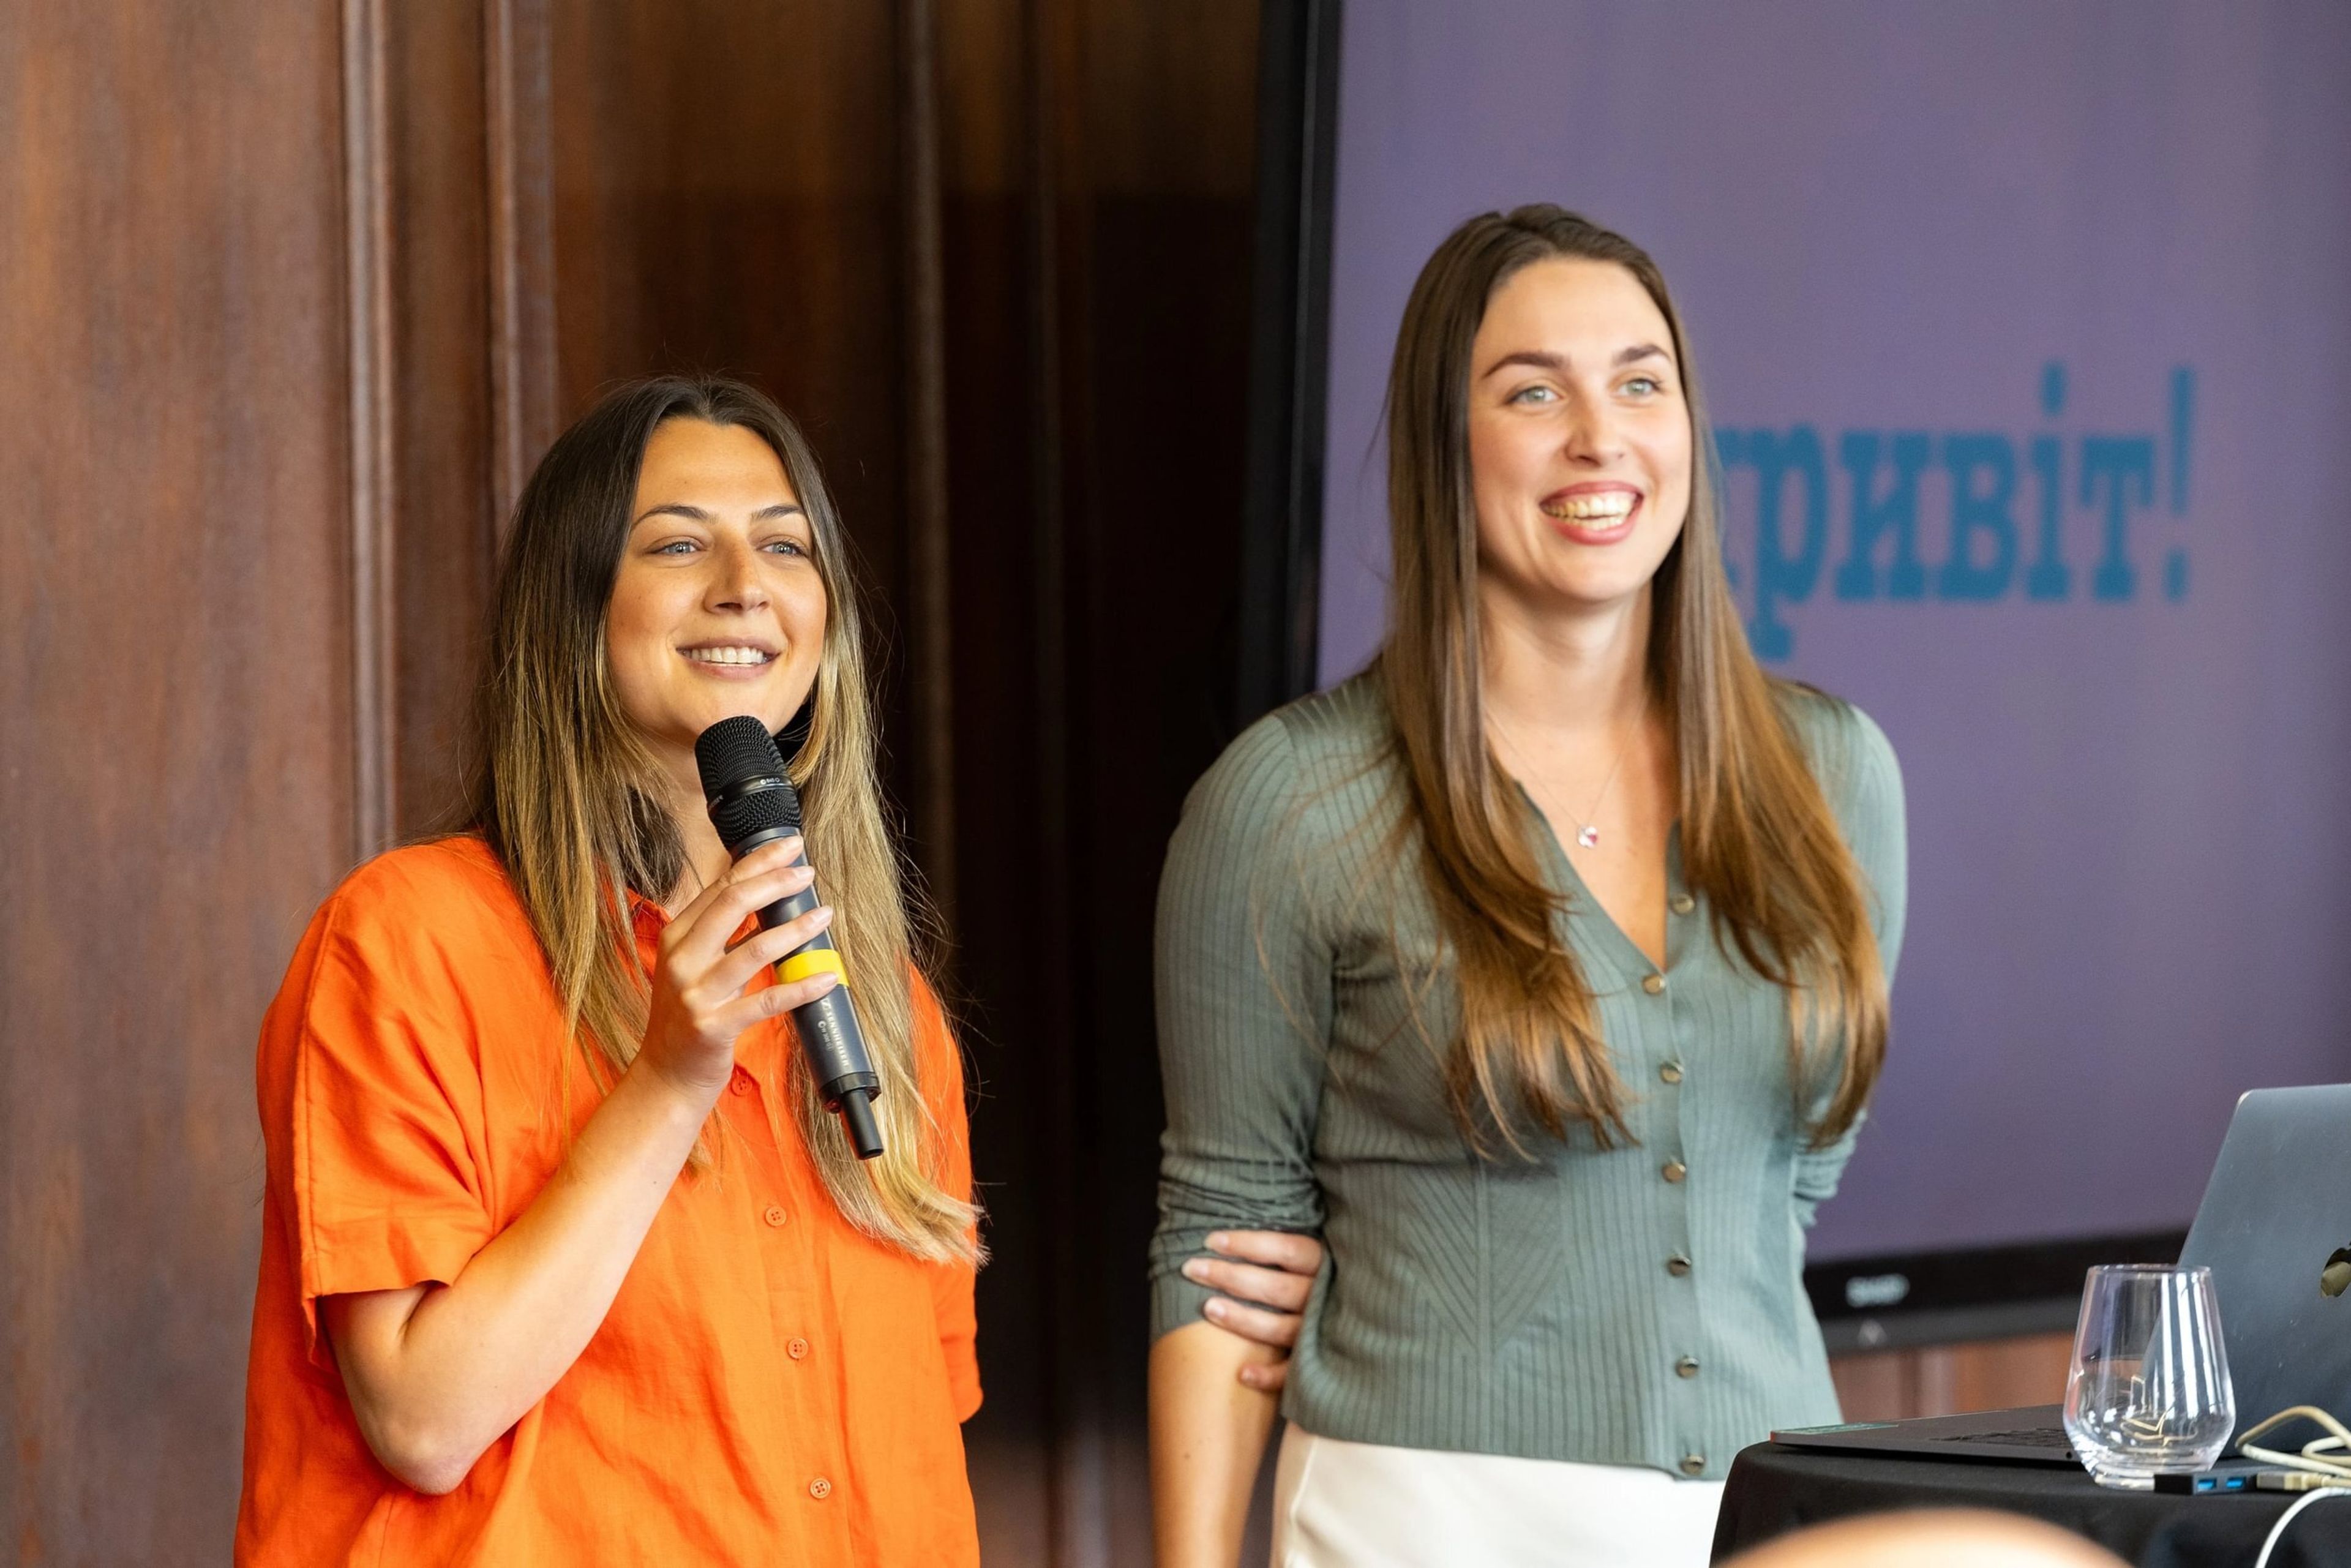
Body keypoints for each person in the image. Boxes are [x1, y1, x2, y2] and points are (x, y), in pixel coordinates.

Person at [1148, 206, 1907, 1567]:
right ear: (1449, 446)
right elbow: (1220, 1258)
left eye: (1639, 382)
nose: (1599, 436)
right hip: (1429, 1520)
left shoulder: (1834, 776)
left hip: (1788, 1513)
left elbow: (1779, 1187)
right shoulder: (1288, 804)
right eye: (1531, 392)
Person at [234, 377, 984, 1564]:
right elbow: (421, 1421)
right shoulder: (404, 946)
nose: (743, 581)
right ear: (575, 611)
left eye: (784, 546)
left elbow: (919, 1455)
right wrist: (671, 1080)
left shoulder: (886, 1011)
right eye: (680, 543)